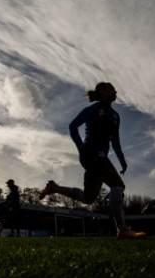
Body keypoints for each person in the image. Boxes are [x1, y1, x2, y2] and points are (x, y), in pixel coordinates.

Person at [39, 82, 145, 239]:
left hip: (99, 156)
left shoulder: (116, 115)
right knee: (118, 186)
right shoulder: (94, 109)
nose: (115, 91)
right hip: (92, 154)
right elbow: (72, 126)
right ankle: (122, 230)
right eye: (111, 89)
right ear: (102, 92)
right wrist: (81, 147)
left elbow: (115, 141)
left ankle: (54, 188)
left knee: (88, 198)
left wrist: (121, 159)